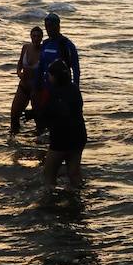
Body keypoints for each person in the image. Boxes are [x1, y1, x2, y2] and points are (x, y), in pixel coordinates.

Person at [40, 59, 87, 195]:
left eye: (50, 75)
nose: (48, 78)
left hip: (61, 138)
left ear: (55, 77)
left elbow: (51, 114)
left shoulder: (54, 92)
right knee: (74, 173)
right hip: (79, 136)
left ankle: (50, 201)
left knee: (48, 174)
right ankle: (77, 198)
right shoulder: (74, 89)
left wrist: (36, 114)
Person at [33, 12, 80, 138]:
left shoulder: (66, 44)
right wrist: (36, 84)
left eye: (51, 26)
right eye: (46, 26)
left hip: (61, 89)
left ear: (58, 26)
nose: (49, 29)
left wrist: (75, 87)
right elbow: (41, 64)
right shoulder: (46, 44)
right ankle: (43, 143)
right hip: (46, 87)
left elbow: (75, 67)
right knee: (42, 116)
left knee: (60, 118)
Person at [10, 26, 43, 134]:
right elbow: (19, 64)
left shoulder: (44, 50)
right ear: (31, 37)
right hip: (23, 86)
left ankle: (40, 141)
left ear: (42, 37)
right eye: (34, 36)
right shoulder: (25, 47)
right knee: (14, 114)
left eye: (38, 36)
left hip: (36, 89)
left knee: (38, 118)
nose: (36, 38)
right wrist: (19, 73)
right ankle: (13, 138)